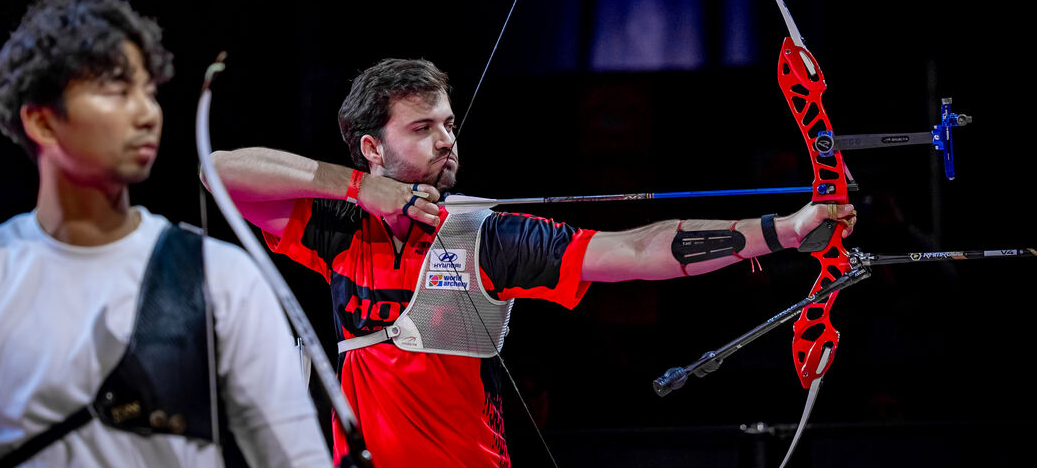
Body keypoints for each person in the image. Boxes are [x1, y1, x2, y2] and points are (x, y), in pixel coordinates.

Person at [207, 57, 857, 468]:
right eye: (423, 128)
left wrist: (781, 230)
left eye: (449, 124)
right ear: (372, 149)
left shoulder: (484, 236)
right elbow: (218, 175)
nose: (446, 141)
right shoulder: (338, 234)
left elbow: (633, 251)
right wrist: (357, 189)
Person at [0, 0, 332, 468]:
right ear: (43, 122)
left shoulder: (223, 277)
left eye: (148, 90)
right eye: (116, 91)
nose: (148, 113)